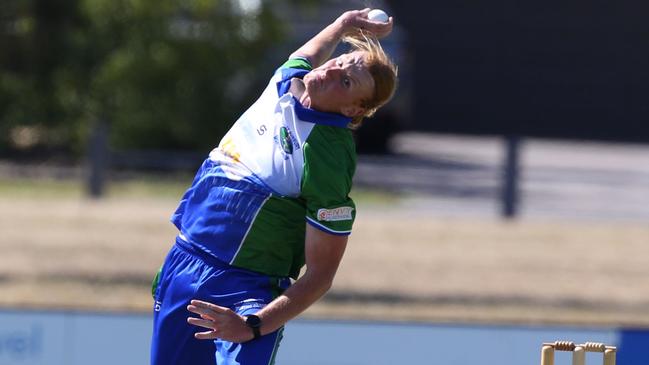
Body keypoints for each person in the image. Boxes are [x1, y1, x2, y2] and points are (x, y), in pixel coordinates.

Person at [150, 8, 398, 365]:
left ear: (352, 111)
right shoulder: (286, 80)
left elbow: (321, 275)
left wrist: (253, 325)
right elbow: (309, 54)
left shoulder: (328, 158)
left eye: (346, 82)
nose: (332, 71)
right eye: (342, 62)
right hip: (185, 262)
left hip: (247, 290)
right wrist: (342, 25)